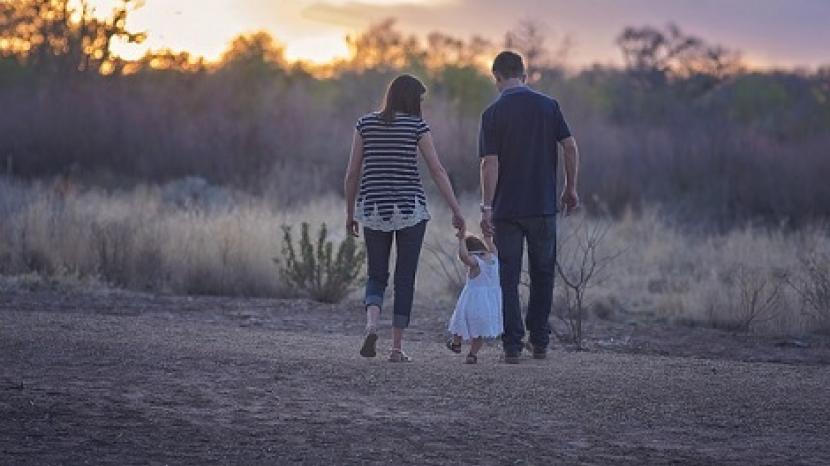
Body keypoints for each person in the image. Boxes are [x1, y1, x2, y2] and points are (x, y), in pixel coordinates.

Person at [344, 74, 465, 362]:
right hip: (410, 210)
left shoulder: (365, 124)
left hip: (373, 209)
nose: (421, 104)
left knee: (376, 274)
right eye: (420, 99)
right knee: (404, 278)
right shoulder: (417, 126)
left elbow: (352, 173)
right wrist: (456, 209)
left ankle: (372, 325)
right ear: (411, 99)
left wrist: (350, 213)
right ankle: (396, 348)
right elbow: (437, 171)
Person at [478, 51, 580, 364]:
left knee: (507, 278)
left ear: (497, 77)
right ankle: (539, 342)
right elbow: (570, 146)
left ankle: (511, 346)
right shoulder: (548, 106)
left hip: (507, 210)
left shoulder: (493, 113)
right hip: (542, 206)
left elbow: (489, 163)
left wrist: (486, 207)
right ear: (524, 74)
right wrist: (570, 187)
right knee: (543, 274)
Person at [446, 230, 503, 364]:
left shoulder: (475, 262)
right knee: (479, 331)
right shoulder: (494, 257)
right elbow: (490, 243)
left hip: (473, 300)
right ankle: (472, 354)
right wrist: (487, 236)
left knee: (460, 321)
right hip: (490, 303)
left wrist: (461, 240)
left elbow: (464, 256)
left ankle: (456, 343)